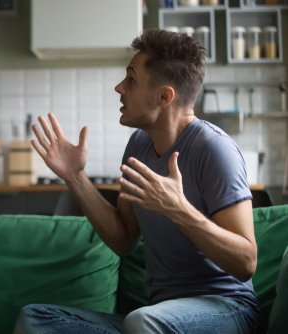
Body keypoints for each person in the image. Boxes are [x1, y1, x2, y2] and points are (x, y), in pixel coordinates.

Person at [13, 29, 259, 333]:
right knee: (35, 318)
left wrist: (179, 209)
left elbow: (246, 261)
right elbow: (123, 238)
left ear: (164, 96)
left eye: (131, 80)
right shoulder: (138, 146)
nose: (119, 88)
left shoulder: (214, 149)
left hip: (227, 308)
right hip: (157, 318)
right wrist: (75, 177)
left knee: (142, 320)